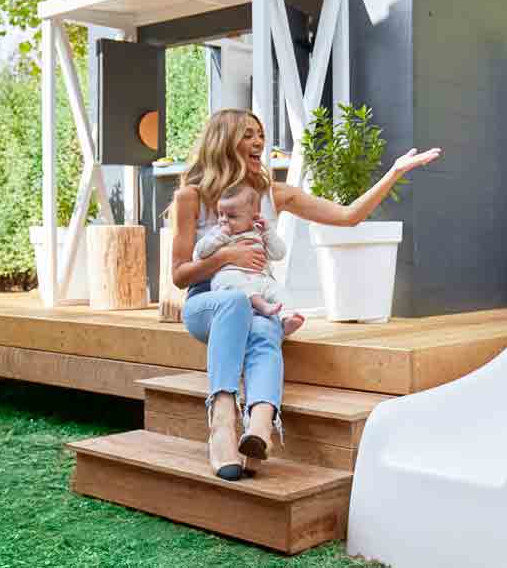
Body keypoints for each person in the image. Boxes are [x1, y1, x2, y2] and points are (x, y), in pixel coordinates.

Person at [171, 108, 440, 479]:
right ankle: (221, 421)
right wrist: (226, 256)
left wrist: (393, 172)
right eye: (249, 134)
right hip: (209, 301)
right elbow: (180, 276)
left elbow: (348, 217)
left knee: (266, 328)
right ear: (225, 140)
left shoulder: (272, 194)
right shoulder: (192, 197)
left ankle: (260, 427)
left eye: (260, 134)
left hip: (257, 301)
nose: (259, 142)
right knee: (237, 303)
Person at [192, 183, 303, 336]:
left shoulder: (259, 233)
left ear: (253, 217)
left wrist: (268, 232)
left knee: (278, 291)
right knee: (231, 281)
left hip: (261, 278)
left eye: (231, 216)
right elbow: (200, 253)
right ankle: (262, 306)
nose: (223, 220)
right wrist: (220, 237)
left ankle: (288, 318)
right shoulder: (217, 233)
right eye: (220, 214)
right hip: (230, 277)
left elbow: (279, 253)